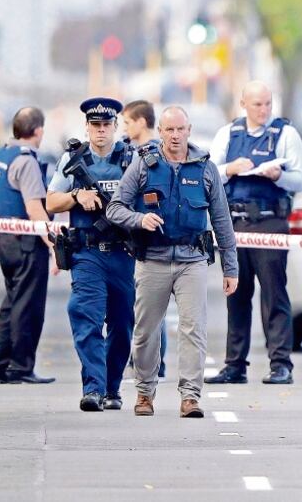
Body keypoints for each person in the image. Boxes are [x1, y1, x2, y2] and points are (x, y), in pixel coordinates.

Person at [107, 106, 239, 418]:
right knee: (145, 331)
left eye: (180, 129)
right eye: (169, 130)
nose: (175, 136)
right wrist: (140, 219)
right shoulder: (144, 164)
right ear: (161, 132)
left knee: (194, 329)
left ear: (189, 130)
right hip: (152, 259)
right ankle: (144, 392)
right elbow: (115, 209)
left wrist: (230, 268)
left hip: (192, 260)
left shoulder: (205, 168)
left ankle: (190, 397)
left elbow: (223, 222)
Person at [206, 81, 302, 385]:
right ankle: (235, 365)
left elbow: (299, 180)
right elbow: (210, 174)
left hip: (270, 222)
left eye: (267, 104)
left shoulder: (285, 134)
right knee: (236, 293)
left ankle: (280, 364)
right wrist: (231, 169)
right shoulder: (228, 134)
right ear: (243, 104)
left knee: (274, 294)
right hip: (235, 224)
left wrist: (280, 175)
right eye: (257, 104)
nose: (263, 110)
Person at [46, 97, 135, 412]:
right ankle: (93, 389)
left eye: (106, 125)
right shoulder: (73, 159)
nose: (100, 131)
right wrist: (75, 196)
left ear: (115, 127)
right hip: (87, 254)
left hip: (124, 253)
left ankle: (112, 388)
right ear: (86, 127)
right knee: (87, 318)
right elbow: (51, 201)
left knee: (123, 324)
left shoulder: (131, 159)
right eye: (94, 125)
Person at [0, 107, 56, 385]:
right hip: (27, 240)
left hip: (6, 238)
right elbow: (34, 207)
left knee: (11, 303)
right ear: (38, 130)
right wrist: (51, 242)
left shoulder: (1, 154)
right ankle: (20, 367)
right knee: (28, 306)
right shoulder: (26, 161)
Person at [123, 99, 168, 378]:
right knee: (139, 303)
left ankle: (155, 360)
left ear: (141, 122)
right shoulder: (131, 152)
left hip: (149, 236)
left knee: (152, 304)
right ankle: (144, 357)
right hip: (132, 235)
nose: (124, 128)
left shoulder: (155, 154)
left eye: (127, 122)